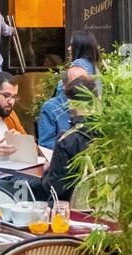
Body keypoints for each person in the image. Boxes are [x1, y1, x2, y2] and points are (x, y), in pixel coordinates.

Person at [42, 75, 99, 203]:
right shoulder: (111, 134)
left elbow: (55, 188)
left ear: (71, 103)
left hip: (71, 208)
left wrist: (47, 172)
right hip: (103, 205)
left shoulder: (67, 139)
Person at [37, 65, 89, 150]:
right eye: (76, 83)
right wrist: (72, 147)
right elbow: (46, 143)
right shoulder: (51, 108)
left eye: (85, 82)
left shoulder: (92, 105)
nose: (82, 87)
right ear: (64, 85)